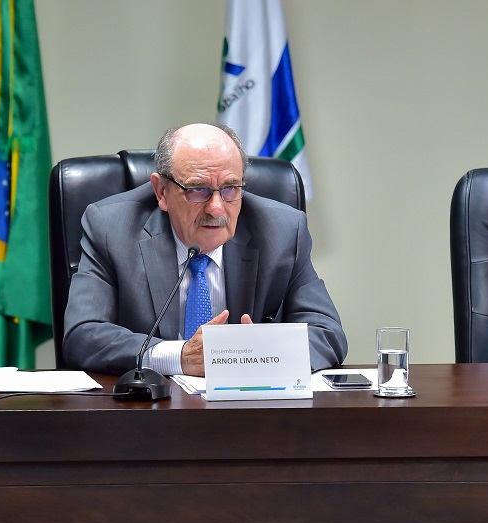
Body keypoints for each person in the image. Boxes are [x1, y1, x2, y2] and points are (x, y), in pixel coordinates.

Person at [63, 123, 347, 375]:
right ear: (161, 192)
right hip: (145, 417)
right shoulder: (111, 228)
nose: (216, 208)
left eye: (230, 188)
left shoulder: (282, 230)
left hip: (251, 416)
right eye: (197, 189)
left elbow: (327, 333)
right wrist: (179, 357)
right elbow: (83, 334)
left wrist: (261, 352)